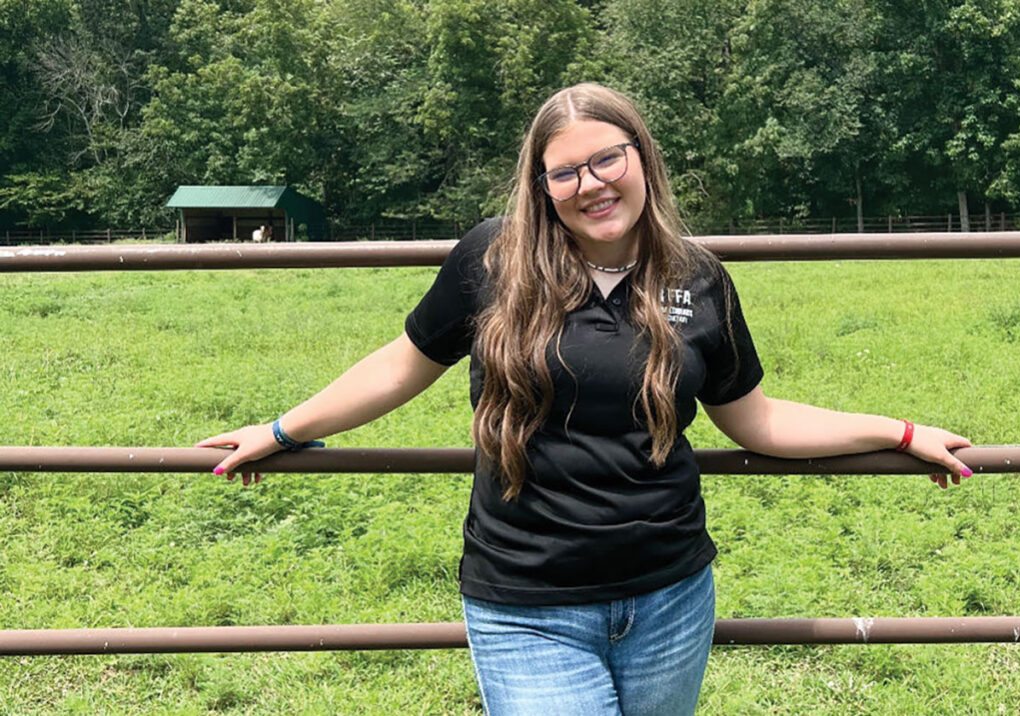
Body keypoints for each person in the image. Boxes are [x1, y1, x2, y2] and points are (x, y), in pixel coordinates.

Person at [197, 83, 973, 715]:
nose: (591, 185)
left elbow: (758, 418)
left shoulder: (698, 277)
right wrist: (280, 428)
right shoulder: (493, 261)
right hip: (528, 601)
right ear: (541, 186)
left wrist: (899, 431)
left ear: (642, 157)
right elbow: (402, 365)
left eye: (607, 159)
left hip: (670, 595)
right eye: (564, 172)